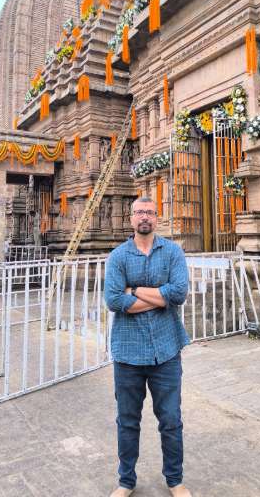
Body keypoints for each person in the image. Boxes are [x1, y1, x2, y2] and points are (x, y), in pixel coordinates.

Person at [104, 197, 191, 497]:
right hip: (128, 352)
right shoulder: (118, 256)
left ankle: (175, 480)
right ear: (131, 218)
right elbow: (114, 300)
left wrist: (134, 290)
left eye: (150, 213)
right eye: (139, 212)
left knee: (171, 420)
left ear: (157, 217)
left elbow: (179, 293)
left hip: (166, 350)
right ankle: (126, 481)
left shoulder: (172, 252)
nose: (145, 217)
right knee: (128, 421)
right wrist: (159, 298)